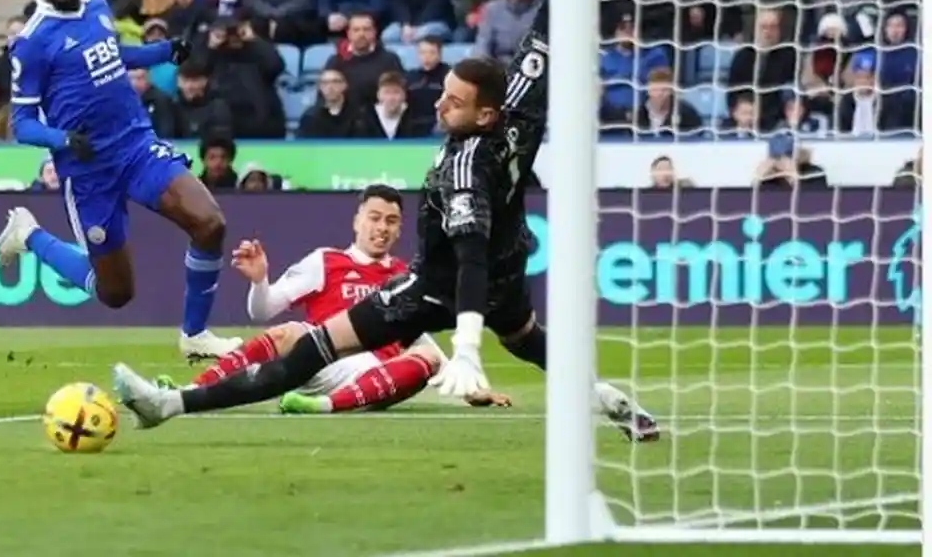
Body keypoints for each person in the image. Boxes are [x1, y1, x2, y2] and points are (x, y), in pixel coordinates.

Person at [112, 31, 659, 442]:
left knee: (308, 352)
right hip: (508, 273)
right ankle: (610, 400)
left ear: (485, 115)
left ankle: (169, 406)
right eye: (444, 92)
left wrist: (466, 350)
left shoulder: (466, 165)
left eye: (454, 102)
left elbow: (466, 260)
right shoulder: (519, 110)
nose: (441, 104)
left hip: (440, 284)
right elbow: (543, 39)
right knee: (533, 343)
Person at [0, 0, 242, 362]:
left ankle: (195, 334)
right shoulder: (32, 43)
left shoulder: (97, 6)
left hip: (136, 146)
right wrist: (62, 139)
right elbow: (23, 123)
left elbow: (112, 52)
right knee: (116, 292)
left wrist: (162, 51)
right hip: (89, 171)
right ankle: (28, 234)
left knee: (210, 223)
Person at [154, 184, 511, 415]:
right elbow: (262, 311)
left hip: (374, 375)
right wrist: (260, 280)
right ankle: (193, 388)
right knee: (289, 332)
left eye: (391, 221)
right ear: (357, 221)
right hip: (318, 362)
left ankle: (320, 406)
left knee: (427, 356)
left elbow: (421, 337)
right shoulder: (325, 261)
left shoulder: (407, 275)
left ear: (400, 229)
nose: (381, 228)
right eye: (374, 218)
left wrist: (471, 390)